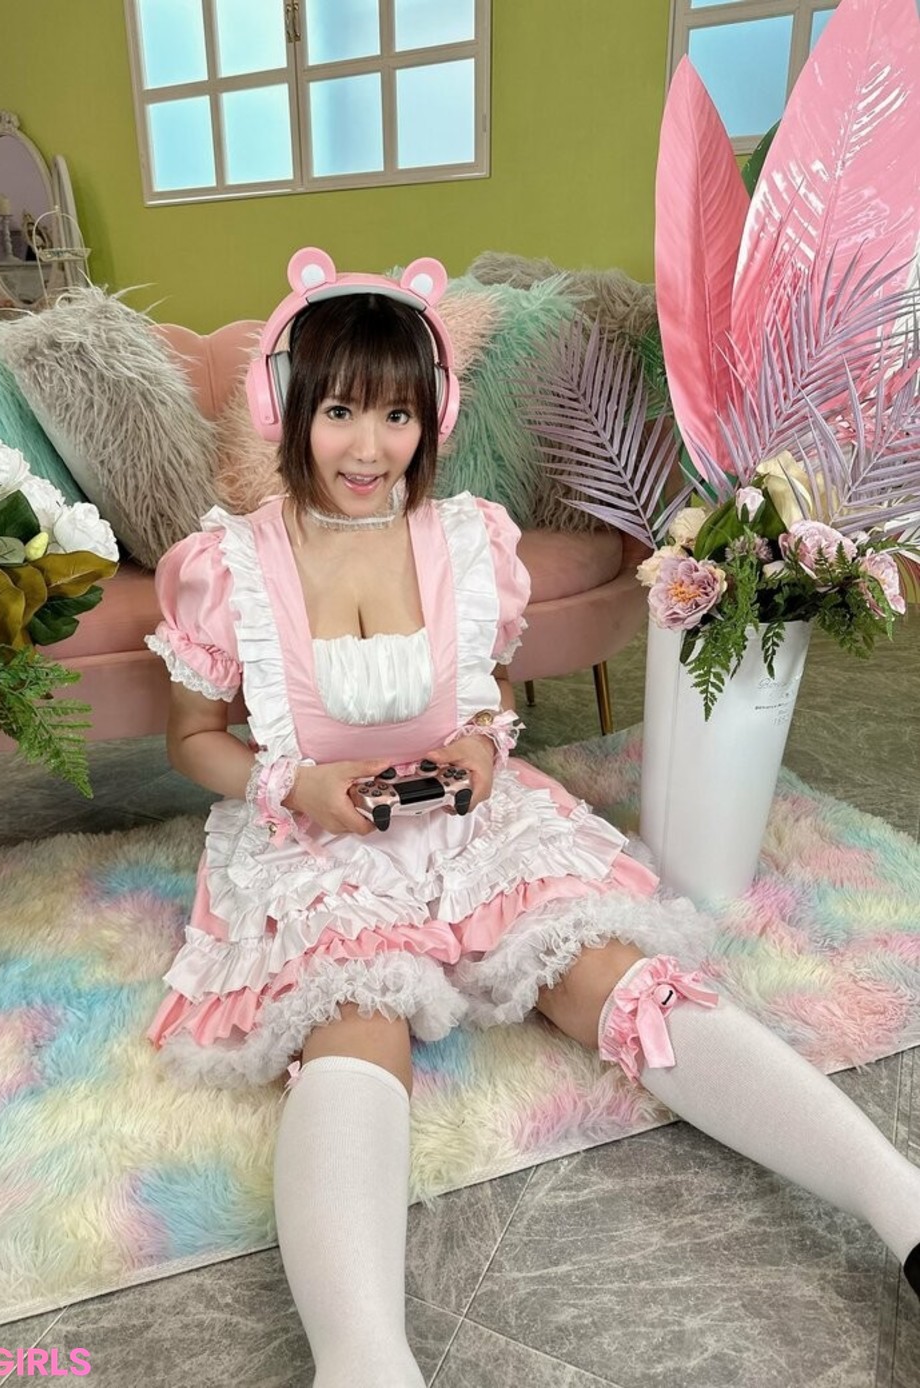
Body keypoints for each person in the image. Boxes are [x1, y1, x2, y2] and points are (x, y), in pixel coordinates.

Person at [144, 247, 920, 1387]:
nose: (370, 447)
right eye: (342, 411)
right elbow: (193, 738)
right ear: (288, 411)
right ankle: (364, 1364)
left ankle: (904, 1207)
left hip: (474, 826)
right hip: (315, 835)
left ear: (434, 417)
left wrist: (477, 746)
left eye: (398, 414)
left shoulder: (468, 541)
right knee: (357, 1021)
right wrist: (297, 786)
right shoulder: (228, 566)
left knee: (625, 981)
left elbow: (489, 693)